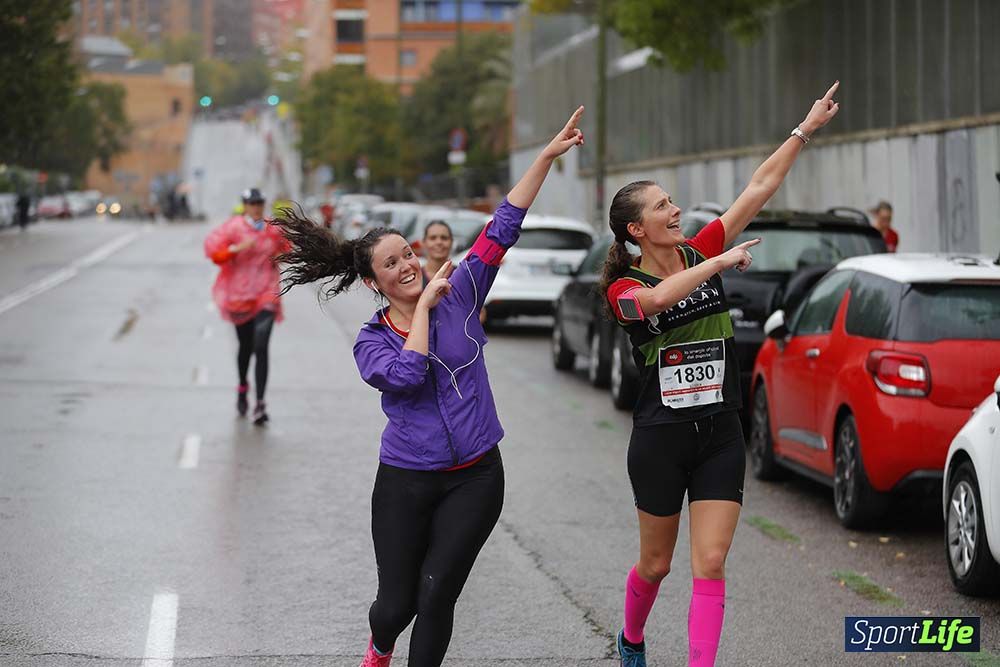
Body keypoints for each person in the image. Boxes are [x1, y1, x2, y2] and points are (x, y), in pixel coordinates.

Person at [273, 107, 585, 667]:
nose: (408, 266)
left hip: (476, 478)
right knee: (396, 607)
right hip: (406, 481)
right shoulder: (371, 342)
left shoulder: (463, 288)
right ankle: (380, 647)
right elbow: (407, 375)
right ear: (373, 281)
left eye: (409, 254)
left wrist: (543, 156)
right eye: (392, 264)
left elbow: (503, 226)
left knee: (438, 594)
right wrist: (423, 313)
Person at [601, 82, 841, 667]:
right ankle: (632, 638)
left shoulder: (695, 253)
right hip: (661, 438)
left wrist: (803, 131)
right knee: (656, 564)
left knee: (710, 562)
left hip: (720, 432)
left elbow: (757, 188)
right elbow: (655, 307)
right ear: (637, 230)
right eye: (662, 207)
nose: (675, 210)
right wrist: (716, 261)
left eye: (671, 201)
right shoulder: (625, 288)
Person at [204, 188, 290, 425]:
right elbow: (214, 254)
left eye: (259, 203)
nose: (256, 207)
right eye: (251, 203)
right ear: (244, 205)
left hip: (267, 293)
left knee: (261, 345)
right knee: (245, 347)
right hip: (240, 295)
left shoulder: (273, 229)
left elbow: (288, 250)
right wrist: (235, 249)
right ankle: (243, 386)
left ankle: (260, 403)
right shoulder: (233, 228)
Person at [421, 219, 454, 284]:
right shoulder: (415, 277)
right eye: (433, 238)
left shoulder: (461, 275)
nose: (439, 242)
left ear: (451, 242)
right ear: (424, 242)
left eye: (444, 238)